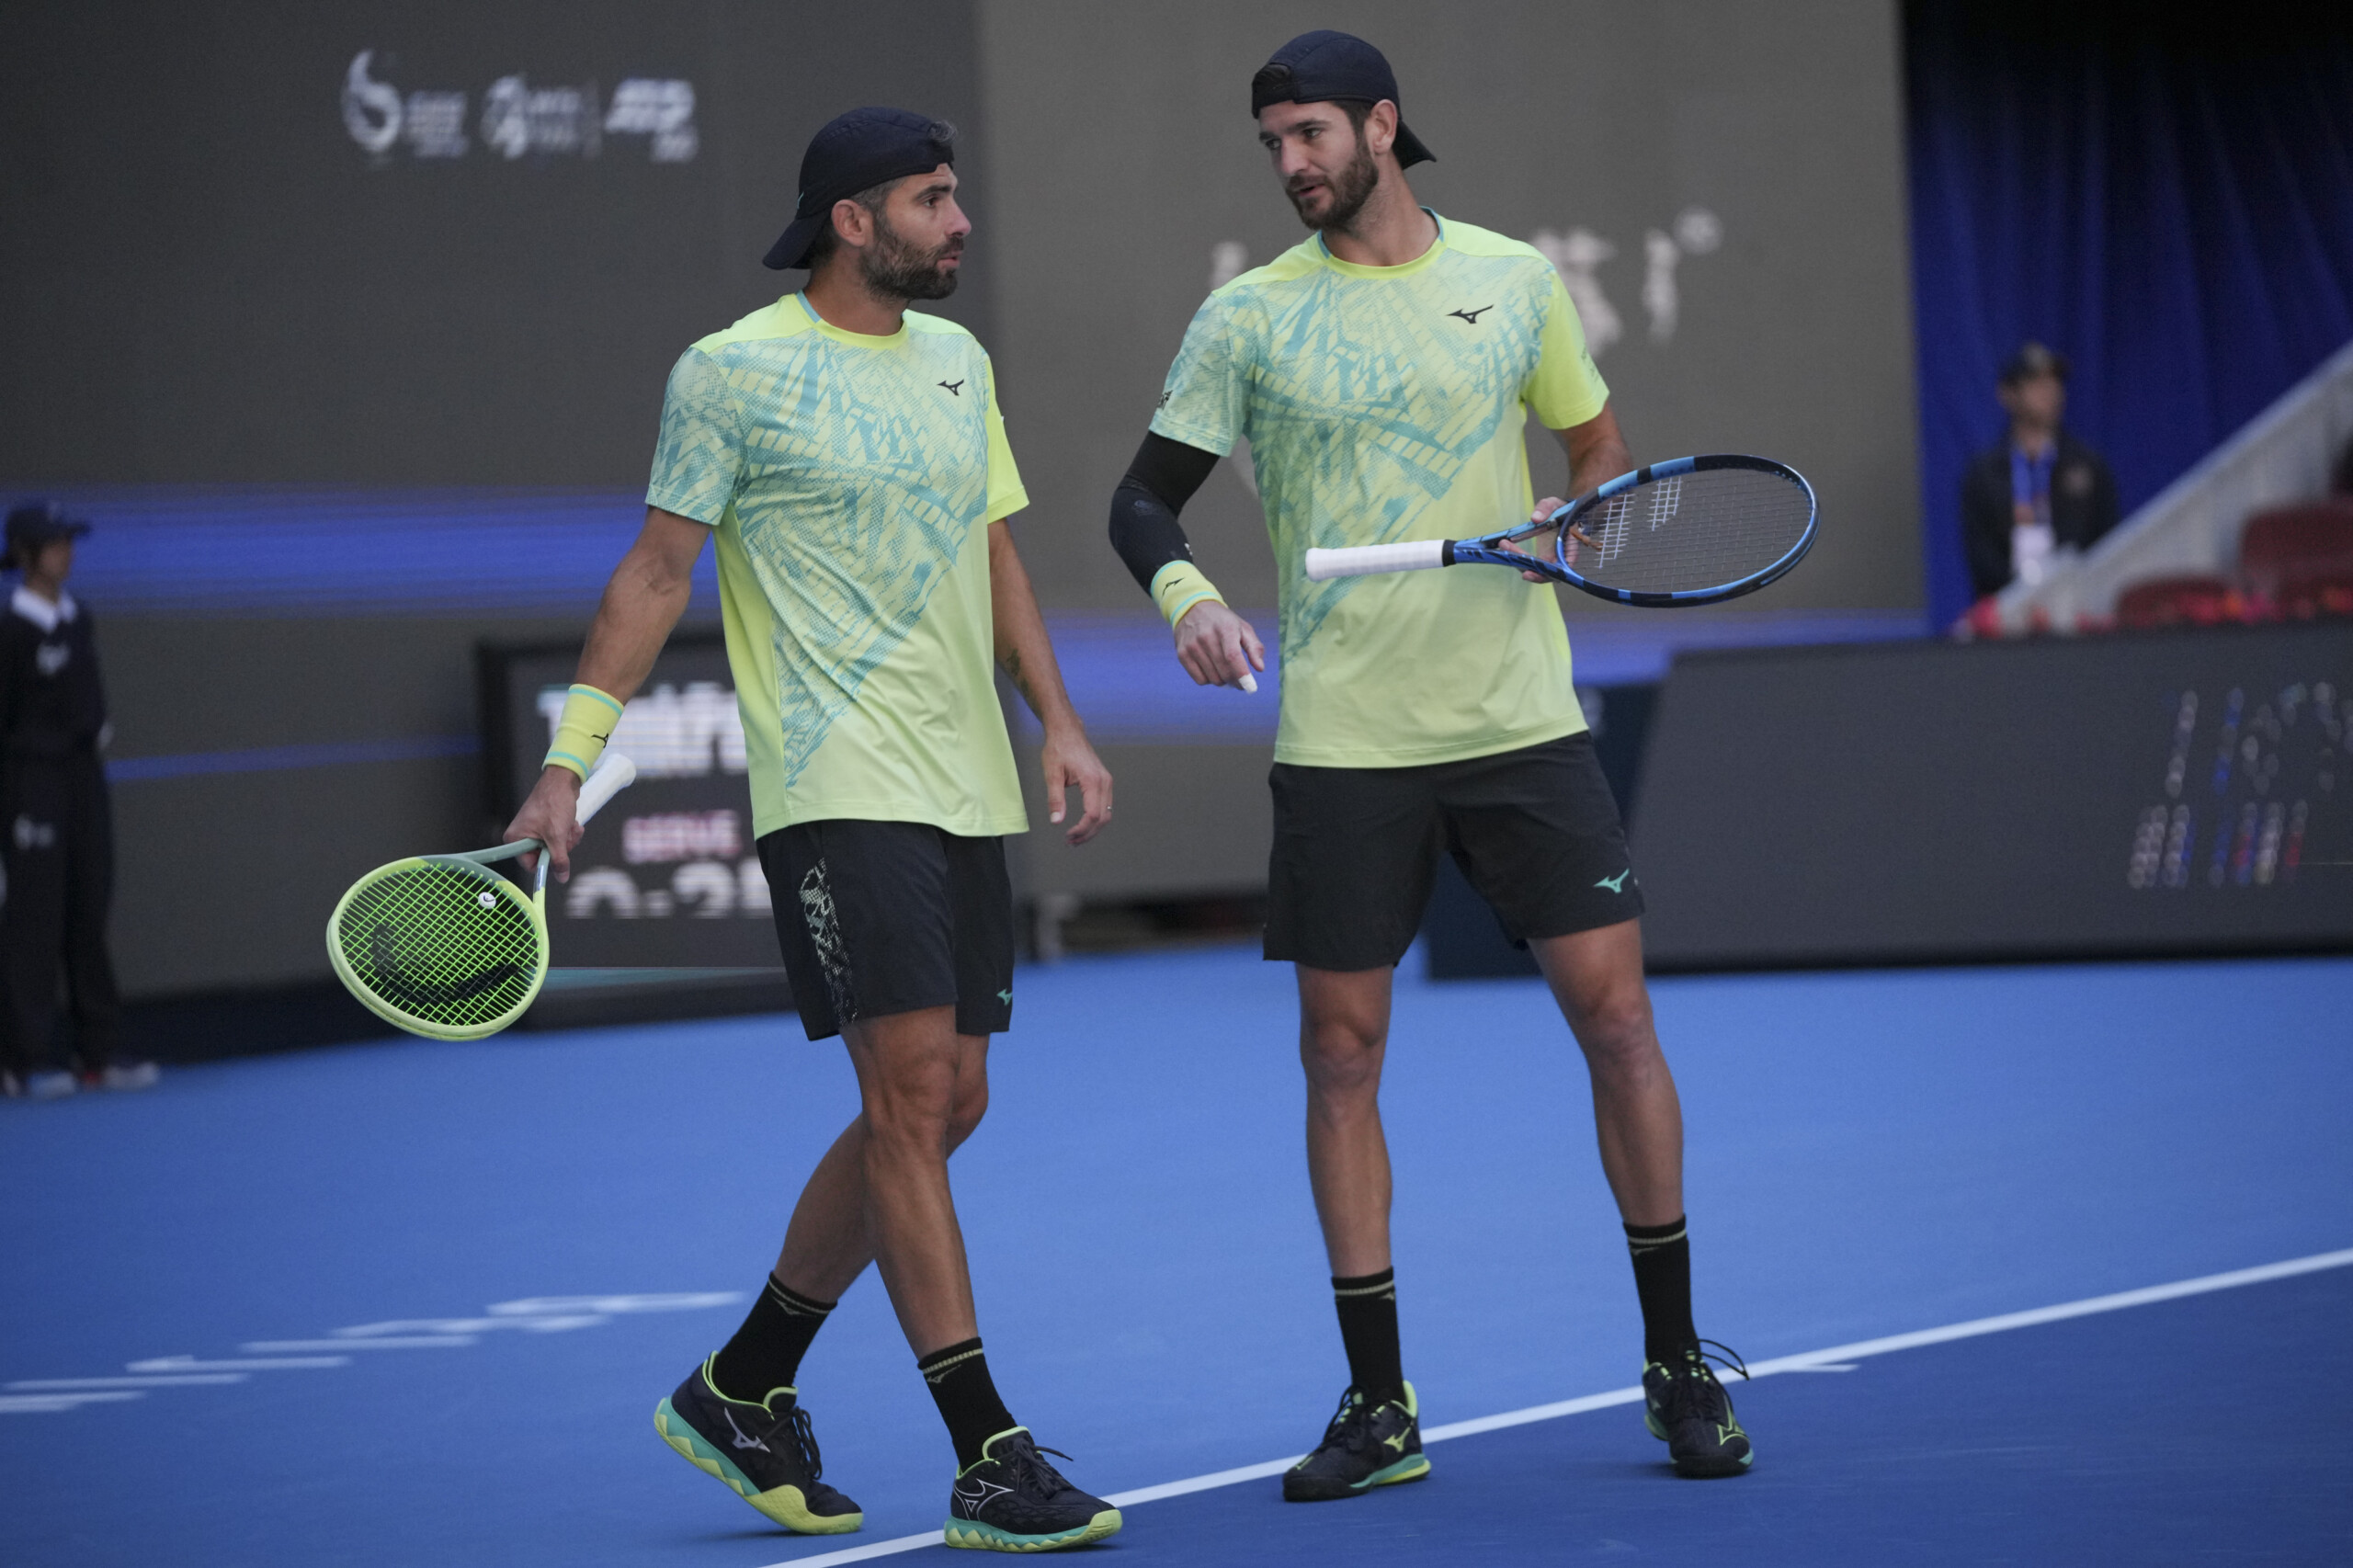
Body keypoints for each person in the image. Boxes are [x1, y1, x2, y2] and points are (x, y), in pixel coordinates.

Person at [1107, 30, 1752, 1492]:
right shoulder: (1248, 320)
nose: (1292, 164)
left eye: (1313, 134)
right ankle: (1379, 1403)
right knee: (1340, 1054)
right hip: (1344, 740)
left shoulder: (1517, 282)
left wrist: (1578, 528)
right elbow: (1143, 505)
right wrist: (1189, 598)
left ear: (1383, 128)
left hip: (1521, 725)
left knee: (1620, 1023)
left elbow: (1602, 453)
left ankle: (1676, 1363)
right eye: (1273, 142)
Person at [503, 108, 1123, 1553]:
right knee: (910, 1097)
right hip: (837, 784)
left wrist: (1062, 722)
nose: (959, 218)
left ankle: (745, 1381)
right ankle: (988, 1452)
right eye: (931, 197)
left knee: (950, 1101)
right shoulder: (731, 372)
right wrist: (567, 762)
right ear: (853, 221)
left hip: (965, 782)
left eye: (956, 191)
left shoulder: (959, 363)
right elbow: (659, 573)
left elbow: (995, 552)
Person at [0, 502, 153, 1102]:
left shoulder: (78, 617)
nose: (66, 552)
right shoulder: (9, 628)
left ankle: (98, 1052)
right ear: (25, 553)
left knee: (89, 910)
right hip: (29, 788)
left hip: (85, 783)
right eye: (54, 543)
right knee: (33, 921)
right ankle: (23, 1061)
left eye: (69, 541)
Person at [1961, 341, 2120, 599]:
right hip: (2008, 612)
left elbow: (2108, 545)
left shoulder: (2088, 466)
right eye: (2036, 383)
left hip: (2077, 610)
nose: (2051, 391)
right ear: (2008, 395)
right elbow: (1981, 557)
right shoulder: (1984, 474)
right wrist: (2026, 592)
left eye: (2054, 382)